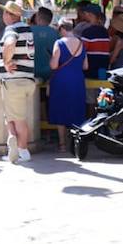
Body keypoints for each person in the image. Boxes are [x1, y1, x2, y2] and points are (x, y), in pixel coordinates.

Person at [0, 0, 35, 164]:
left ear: (10, 15)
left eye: (4, 12)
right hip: (25, 79)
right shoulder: (26, 29)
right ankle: (12, 142)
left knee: (18, 119)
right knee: (11, 116)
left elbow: (10, 43)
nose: (2, 16)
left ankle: (23, 152)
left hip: (14, 81)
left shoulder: (11, 29)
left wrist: (6, 62)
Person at [48, 19, 88, 151]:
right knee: (75, 108)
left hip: (61, 80)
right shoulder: (81, 43)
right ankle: (75, 142)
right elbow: (85, 66)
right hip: (77, 80)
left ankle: (62, 144)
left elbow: (54, 65)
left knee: (61, 110)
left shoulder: (59, 43)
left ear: (62, 29)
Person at [74, 3, 111, 79]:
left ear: (89, 14)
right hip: (103, 69)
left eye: (85, 13)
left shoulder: (87, 32)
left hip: (90, 70)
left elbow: (82, 50)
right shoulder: (105, 32)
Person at [30, 7, 59, 82]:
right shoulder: (55, 33)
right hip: (50, 74)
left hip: (30, 72)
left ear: (38, 17)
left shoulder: (28, 31)